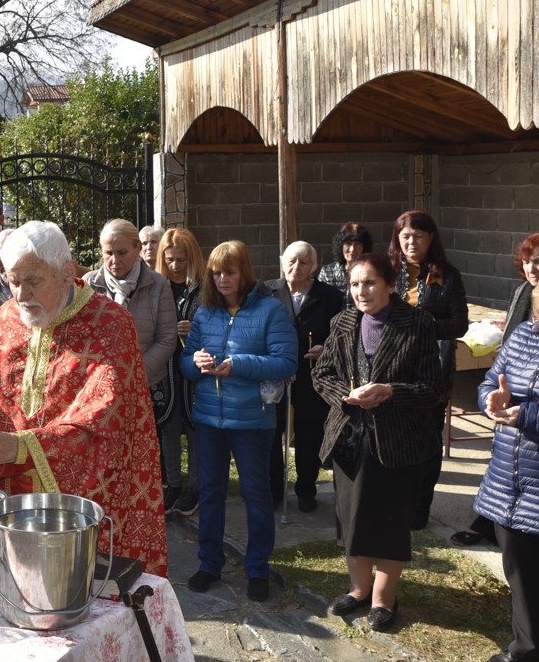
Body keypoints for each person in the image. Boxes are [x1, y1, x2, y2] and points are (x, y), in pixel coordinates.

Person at [0, 221, 168, 576]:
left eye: (34, 281)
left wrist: (21, 448)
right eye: (13, 281)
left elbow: (103, 422)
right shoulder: (7, 317)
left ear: (67, 273)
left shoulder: (110, 323)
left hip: (80, 506)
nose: (20, 295)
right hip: (9, 498)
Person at [312, 253, 443, 632]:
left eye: (369, 282)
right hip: (351, 437)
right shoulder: (342, 322)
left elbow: (434, 388)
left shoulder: (417, 323)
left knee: (389, 520)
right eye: (354, 284)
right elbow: (323, 374)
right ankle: (358, 589)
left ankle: (384, 599)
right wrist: (346, 395)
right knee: (352, 519)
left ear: (390, 284)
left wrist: (390, 391)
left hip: (399, 442)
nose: (361, 291)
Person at [181, 240, 296, 602]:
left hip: (253, 421)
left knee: (256, 496)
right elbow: (184, 364)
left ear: (244, 272)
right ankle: (209, 563)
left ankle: (257, 569)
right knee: (211, 494)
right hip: (210, 421)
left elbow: (286, 363)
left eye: (229, 272)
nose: (222, 280)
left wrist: (240, 364)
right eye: (215, 273)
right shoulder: (204, 313)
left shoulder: (271, 311)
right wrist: (196, 362)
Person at [454, 231, 539, 547]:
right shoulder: (522, 294)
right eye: (529, 262)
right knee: (503, 469)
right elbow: (506, 358)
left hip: (533, 415)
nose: (534, 269)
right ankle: (489, 524)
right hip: (512, 408)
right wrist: (491, 395)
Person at [473, 282, 539, 662]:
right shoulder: (522, 336)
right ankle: (527, 646)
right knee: (517, 559)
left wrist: (529, 415)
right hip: (510, 471)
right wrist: (491, 402)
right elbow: (489, 382)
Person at [388, 210, 468, 530]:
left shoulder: (447, 276)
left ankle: (421, 508)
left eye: (418, 236)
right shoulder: (388, 272)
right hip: (391, 369)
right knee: (394, 437)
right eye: (405, 236)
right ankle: (394, 502)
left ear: (431, 238)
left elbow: (459, 324)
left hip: (430, 372)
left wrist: (424, 325)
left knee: (427, 441)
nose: (411, 242)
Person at [265, 241, 345, 512]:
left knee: (309, 431)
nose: (296, 267)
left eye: (303, 262)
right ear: (281, 261)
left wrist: (328, 348)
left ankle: (306, 489)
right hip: (276, 372)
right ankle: (274, 490)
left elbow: (342, 332)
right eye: (291, 261)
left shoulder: (330, 296)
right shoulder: (266, 291)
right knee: (273, 430)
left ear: (313, 266)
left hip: (313, 374)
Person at [83, 219, 176, 389]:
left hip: (146, 383)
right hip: (98, 384)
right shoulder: (87, 285)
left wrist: (135, 373)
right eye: (108, 253)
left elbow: (167, 338)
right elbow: (80, 337)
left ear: (137, 248)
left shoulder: (159, 285)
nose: (115, 260)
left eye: (122, 252)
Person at [155, 227, 205, 515]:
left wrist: (193, 328)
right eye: (170, 259)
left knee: (194, 427)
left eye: (181, 260)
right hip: (166, 367)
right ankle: (173, 484)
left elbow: (216, 323)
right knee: (169, 425)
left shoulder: (203, 287)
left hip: (195, 366)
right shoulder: (158, 285)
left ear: (192, 258)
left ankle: (195, 487)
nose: (175, 266)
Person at [318, 222, 373, 309]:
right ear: (340, 246)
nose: (352, 249)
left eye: (357, 244)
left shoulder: (371, 271)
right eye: (348, 243)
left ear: (364, 247)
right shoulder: (327, 272)